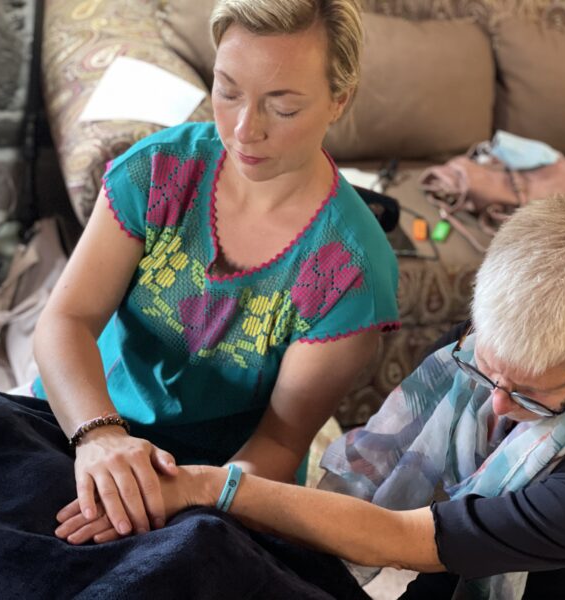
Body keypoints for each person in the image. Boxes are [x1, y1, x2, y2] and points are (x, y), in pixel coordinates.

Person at [56, 195, 565, 599]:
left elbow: (408, 538)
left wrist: (211, 486)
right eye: (489, 372)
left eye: (534, 397)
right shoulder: (487, 353)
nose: (496, 406)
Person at [31, 0, 398, 541]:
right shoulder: (158, 170)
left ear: (339, 100)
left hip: (215, 482)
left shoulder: (351, 274)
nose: (245, 130)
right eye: (227, 92)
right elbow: (67, 319)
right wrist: (100, 436)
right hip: (81, 416)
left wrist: (175, 494)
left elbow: (278, 443)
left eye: (283, 108)